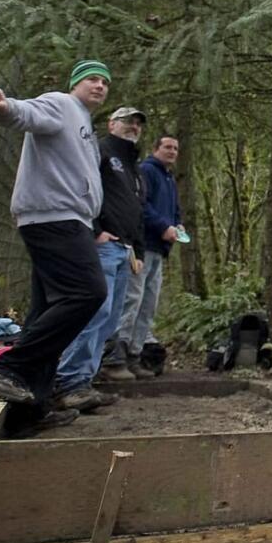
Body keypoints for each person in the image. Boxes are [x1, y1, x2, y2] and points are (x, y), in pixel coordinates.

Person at [0, 60, 111, 427]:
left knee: (44, 312)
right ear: (75, 83)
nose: (99, 85)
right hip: (54, 218)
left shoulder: (83, 120)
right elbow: (25, 114)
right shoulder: (61, 104)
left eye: (104, 81)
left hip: (68, 219)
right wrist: (5, 107)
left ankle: (28, 412)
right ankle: (11, 368)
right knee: (88, 293)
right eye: (91, 79)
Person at [52, 106, 147, 410]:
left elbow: (137, 210)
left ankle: (82, 383)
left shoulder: (135, 167)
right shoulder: (102, 151)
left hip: (124, 248)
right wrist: (96, 230)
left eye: (137, 123)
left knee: (109, 321)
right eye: (127, 121)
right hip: (102, 245)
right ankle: (67, 381)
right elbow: (82, 186)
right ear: (111, 124)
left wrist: (138, 249)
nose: (133, 126)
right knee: (95, 313)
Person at [103, 133, 181, 380]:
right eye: (167, 147)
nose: (172, 152)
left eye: (175, 148)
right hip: (142, 246)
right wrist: (162, 227)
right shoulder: (147, 170)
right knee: (132, 300)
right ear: (156, 148)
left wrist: (177, 226)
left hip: (160, 249)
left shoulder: (169, 178)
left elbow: (174, 210)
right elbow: (141, 206)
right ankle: (116, 357)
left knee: (148, 305)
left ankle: (135, 356)